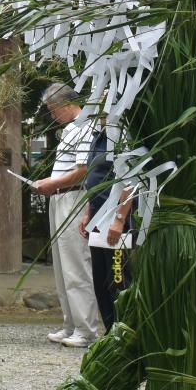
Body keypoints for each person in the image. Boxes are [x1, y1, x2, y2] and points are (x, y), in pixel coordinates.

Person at [33, 82, 103, 349]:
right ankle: (70, 323)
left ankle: (86, 329)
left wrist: (54, 183)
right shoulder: (71, 129)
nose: (53, 116)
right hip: (60, 195)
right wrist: (50, 183)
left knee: (76, 264)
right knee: (63, 266)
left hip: (73, 196)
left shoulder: (87, 126)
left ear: (64, 104)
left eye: (53, 110)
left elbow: (84, 170)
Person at [79, 133, 133, 332]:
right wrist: (87, 212)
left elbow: (131, 180)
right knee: (100, 280)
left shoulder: (122, 136)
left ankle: (123, 331)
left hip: (116, 221)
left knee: (118, 279)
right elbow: (93, 178)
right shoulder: (97, 137)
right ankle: (110, 331)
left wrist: (120, 219)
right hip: (97, 218)